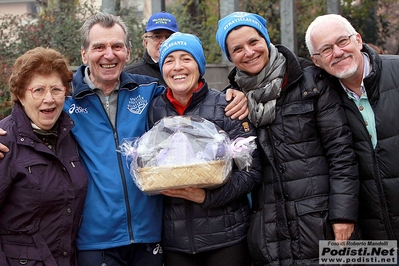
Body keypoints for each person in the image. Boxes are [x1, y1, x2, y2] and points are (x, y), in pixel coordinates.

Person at [0, 12, 248, 266]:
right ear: (84, 54)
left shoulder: (151, 91)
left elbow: (191, 97)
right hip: (94, 242)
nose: (109, 54)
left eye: (117, 46)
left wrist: (234, 94)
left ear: (128, 52)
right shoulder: (64, 99)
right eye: (99, 47)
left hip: (149, 238)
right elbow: (26, 117)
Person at [215, 12, 359, 265]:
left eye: (253, 41)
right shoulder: (231, 100)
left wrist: (343, 215)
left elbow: (341, 152)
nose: (248, 52)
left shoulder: (310, 81)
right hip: (271, 230)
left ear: (266, 40)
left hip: (323, 220)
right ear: (230, 57)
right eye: (237, 49)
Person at [148, 32, 262, 266]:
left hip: (226, 238)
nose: (177, 67)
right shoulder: (152, 110)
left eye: (186, 58)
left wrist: (206, 197)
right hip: (173, 242)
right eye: (169, 61)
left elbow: (251, 172)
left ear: (199, 66)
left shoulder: (228, 106)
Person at [305, 14, 399, 242]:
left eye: (342, 41)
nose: (337, 52)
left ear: (358, 39)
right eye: (326, 49)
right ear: (316, 60)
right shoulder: (318, 96)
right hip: (370, 239)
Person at [0, 47, 88, 266]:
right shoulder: (4, 141)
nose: (49, 99)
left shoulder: (71, 137)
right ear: (20, 95)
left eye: (56, 90)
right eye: (38, 90)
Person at [124, 11, 178, 85]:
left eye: (169, 37)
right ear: (146, 42)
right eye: (157, 37)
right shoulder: (130, 76)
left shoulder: (186, 72)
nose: (164, 42)